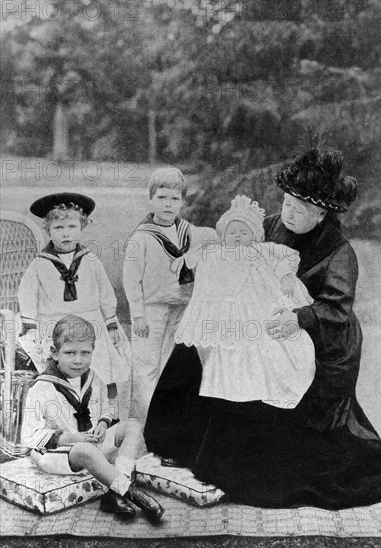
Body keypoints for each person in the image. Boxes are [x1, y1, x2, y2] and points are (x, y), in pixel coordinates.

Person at [144, 142, 381, 509]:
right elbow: (237, 250)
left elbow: (336, 309)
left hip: (321, 335)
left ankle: (246, 463)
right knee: (199, 347)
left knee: (274, 375)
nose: (290, 213)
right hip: (262, 319)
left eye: (302, 208)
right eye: (287, 204)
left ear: (323, 214)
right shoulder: (271, 227)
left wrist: (298, 318)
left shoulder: (340, 253)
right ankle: (175, 441)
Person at [174, 195, 315, 407]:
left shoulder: (259, 250)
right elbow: (193, 264)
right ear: (223, 235)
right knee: (226, 350)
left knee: (258, 346)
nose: (237, 237)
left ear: (255, 235)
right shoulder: (217, 254)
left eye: (244, 232)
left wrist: (285, 276)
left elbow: (285, 257)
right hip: (227, 314)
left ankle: (257, 388)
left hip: (256, 307)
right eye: (232, 232)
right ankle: (223, 390)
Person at [21, 315, 164, 521]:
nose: (78, 360)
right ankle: (133, 494)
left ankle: (114, 494)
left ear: (92, 352)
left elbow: (106, 409)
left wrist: (104, 424)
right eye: (70, 353)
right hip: (57, 453)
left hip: (91, 443)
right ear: (54, 353)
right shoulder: (41, 388)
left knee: (132, 426)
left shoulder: (93, 377)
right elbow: (29, 436)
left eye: (85, 353)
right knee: (84, 449)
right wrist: (71, 438)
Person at [17, 192, 131, 419]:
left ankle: (110, 416)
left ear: (82, 226)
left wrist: (110, 323)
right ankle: (67, 418)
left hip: (92, 322)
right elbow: (27, 295)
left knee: (104, 370)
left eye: (72, 226)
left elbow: (105, 293)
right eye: (59, 228)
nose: (66, 233)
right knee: (65, 371)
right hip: (55, 324)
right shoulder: (40, 264)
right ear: (47, 230)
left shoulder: (90, 260)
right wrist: (31, 327)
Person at [123, 167, 211, 425]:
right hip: (151, 309)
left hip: (182, 306)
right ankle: (142, 424)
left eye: (174, 199)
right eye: (161, 198)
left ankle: (168, 423)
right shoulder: (141, 237)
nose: (168, 204)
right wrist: (137, 314)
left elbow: (208, 255)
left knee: (172, 364)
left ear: (182, 201)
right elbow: (131, 280)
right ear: (151, 200)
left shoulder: (190, 232)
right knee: (145, 364)